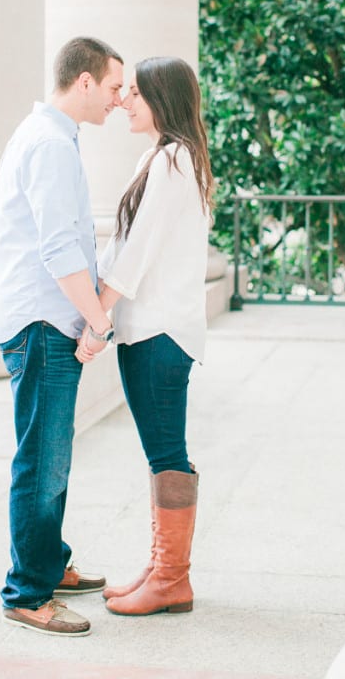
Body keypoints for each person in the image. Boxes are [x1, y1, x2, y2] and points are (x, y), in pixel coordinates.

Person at [0, 36, 124, 637]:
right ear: (86, 81)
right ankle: (26, 593)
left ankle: (50, 563)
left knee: (52, 457)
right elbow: (58, 247)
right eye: (115, 87)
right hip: (42, 324)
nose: (120, 100)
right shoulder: (48, 144)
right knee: (42, 463)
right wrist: (98, 318)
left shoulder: (52, 138)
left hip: (44, 320)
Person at [76, 56, 214, 616]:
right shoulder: (161, 156)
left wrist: (97, 318)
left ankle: (171, 579)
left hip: (160, 333)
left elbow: (137, 252)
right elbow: (121, 245)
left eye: (135, 92)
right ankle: (161, 570)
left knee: (167, 454)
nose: (124, 101)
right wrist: (99, 312)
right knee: (161, 455)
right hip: (148, 332)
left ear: (162, 97)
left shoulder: (175, 161)